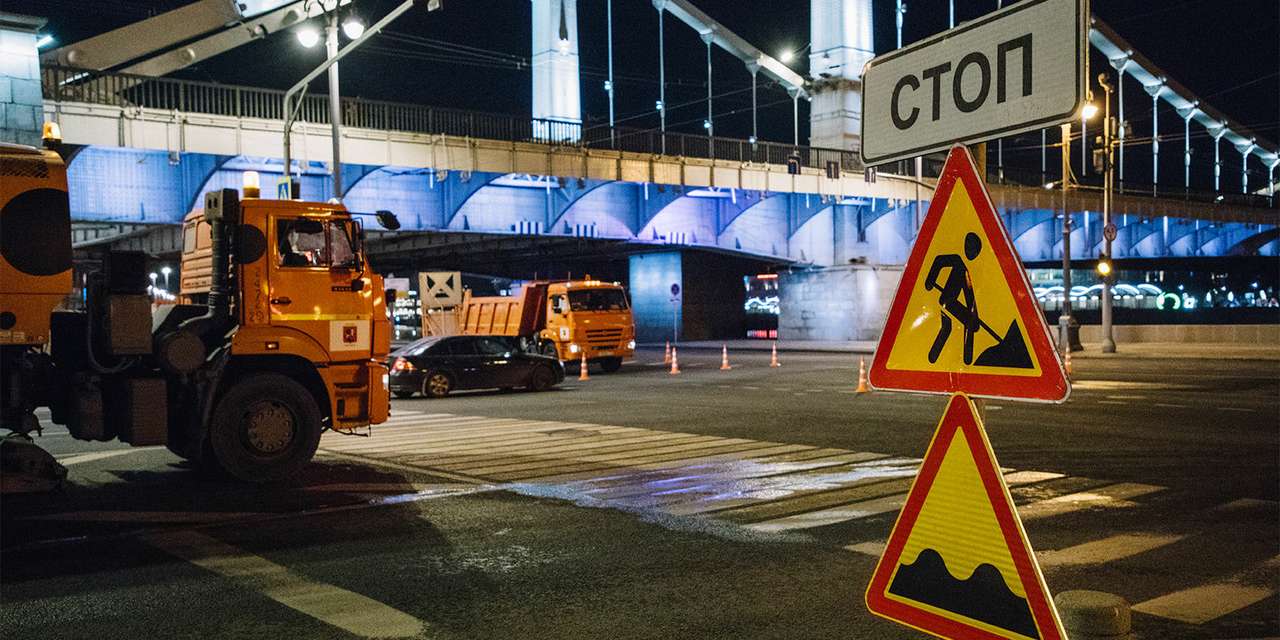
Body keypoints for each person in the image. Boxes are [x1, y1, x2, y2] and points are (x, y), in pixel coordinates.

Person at [924, 232, 983, 365]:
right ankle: (966, 358)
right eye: (972, 250)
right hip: (947, 301)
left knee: (954, 327)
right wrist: (930, 281)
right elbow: (939, 261)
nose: (973, 255)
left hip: (949, 303)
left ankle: (935, 359)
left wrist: (975, 315)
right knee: (965, 324)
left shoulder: (968, 272)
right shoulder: (958, 261)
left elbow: (970, 297)